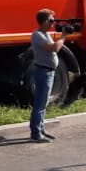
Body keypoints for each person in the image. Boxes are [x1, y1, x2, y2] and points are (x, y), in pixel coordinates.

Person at [29, 8, 64, 142]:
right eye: (51, 20)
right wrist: (63, 37)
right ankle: (36, 133)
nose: (53, 23)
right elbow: (54, 48)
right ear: (44, 21)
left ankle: (41, 129)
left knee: (43, 103)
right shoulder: (38, 35)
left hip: (48, 72)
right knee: (40, 103)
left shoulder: (45, 34)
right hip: (43, 72)